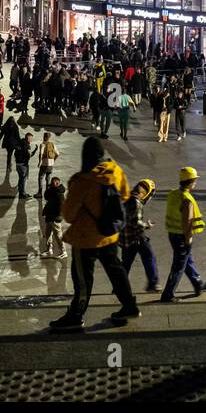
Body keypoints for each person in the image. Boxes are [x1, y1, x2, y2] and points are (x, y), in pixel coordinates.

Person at [49, 137, 141, 331]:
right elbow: (124, 196)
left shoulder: (82, 181)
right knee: (116, 270)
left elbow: (68, 215)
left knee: (82, 279)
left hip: (85, 239)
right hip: (109, 234)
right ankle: (129, 305)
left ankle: (76, 315)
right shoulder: (115, 171)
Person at [159, 166, 206, 303]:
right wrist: (188, 238)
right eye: (194, 180)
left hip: (172, 233)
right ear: (190, 182)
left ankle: (198, 284)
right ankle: (168, 295)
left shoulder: (173, 194)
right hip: (182, 236)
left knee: (187, 260)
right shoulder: (187, 199)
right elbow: (187, 222)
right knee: (178, 266)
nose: (195, 183)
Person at [121, 178, 160, 292]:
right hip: (136, 237)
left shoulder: (127, 198)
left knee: (126, 263)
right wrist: (147, 225)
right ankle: (153, 284)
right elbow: (136, 222)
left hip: (125, 238)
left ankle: (119, 286)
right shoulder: (136, 202)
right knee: (149, 257)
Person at [41, 175, 68, 258]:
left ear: (58, 183)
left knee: (58, 235)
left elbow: (63, 206)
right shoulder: (51, 191)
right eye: (52, 183)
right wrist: (48, 189)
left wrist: (58, 216)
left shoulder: (59, 194)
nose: (54, 184)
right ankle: (49, 249)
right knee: (48, 233)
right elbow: (46, 197)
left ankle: (63, 251)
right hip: (49, 216)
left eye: (55, 183)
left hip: (55, 218)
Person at [35, 131, 59, 198]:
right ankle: (48, 193)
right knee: (48, 179)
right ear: (49, 137)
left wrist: (39, 162)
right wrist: (53, 160)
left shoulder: (42, 144)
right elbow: (58, 154)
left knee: (40, 177)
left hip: (44, 164)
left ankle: (40, 193)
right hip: (50, 165)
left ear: (45, 137)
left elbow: (41, 154)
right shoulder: (52, 144)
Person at [14, 132, 36, 199]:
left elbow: (15, 153)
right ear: (28, 138)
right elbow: (30, 155)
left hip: (18, 164)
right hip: (23, 165)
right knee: (23, 179)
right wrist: (35, 150)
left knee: (20, 178)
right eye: (31, 139)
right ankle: (23, 193)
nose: (31, 140)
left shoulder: (20, 142)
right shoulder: (27, 145)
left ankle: (21, 193)